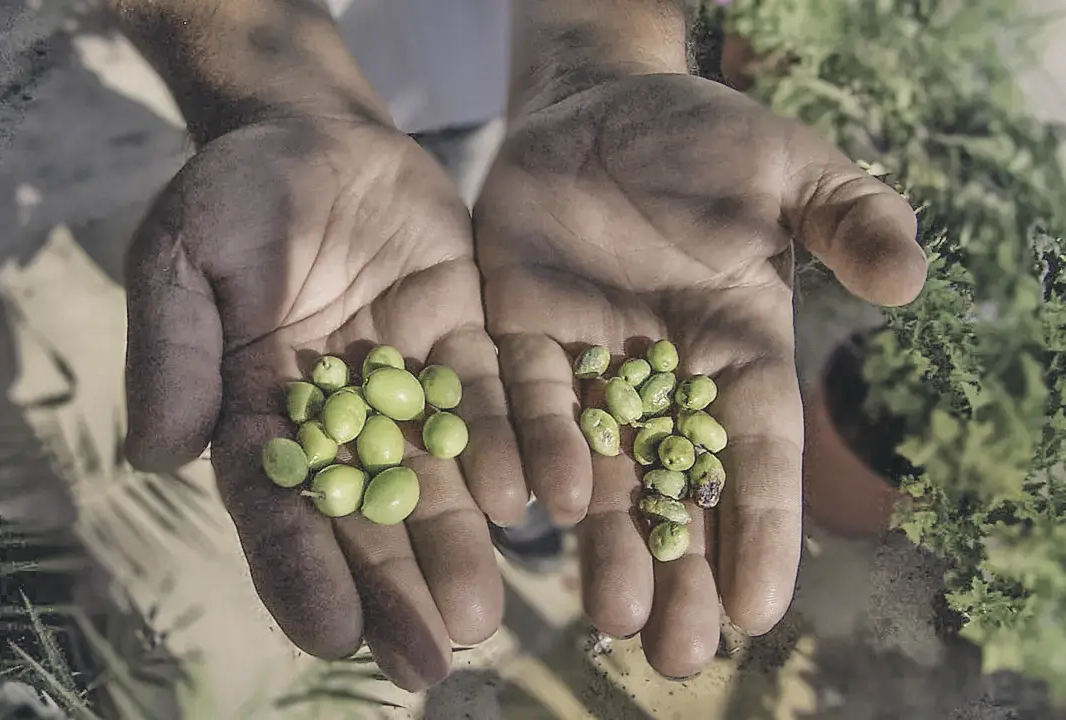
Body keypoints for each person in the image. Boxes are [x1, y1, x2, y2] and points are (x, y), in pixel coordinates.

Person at [106, 0, 928, 692]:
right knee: (488, 373)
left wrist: (608, 61)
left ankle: (535, 503)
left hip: (523, 95)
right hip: (321, 112)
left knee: (521, 397)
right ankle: (531, 503)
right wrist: (262, 92)